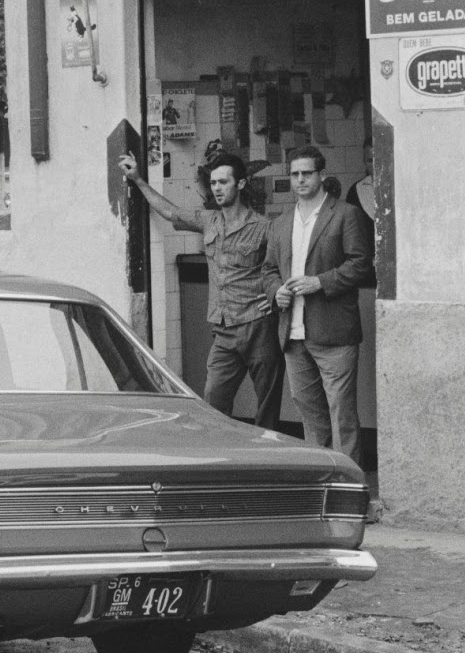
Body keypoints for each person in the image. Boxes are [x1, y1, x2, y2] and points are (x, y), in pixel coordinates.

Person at [119, 149, 284, 429]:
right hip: (223, 329)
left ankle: (265, 463)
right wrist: (138, 180)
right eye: (214, 183)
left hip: (258, 326)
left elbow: (284, 265)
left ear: (241, 184)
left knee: (267, 405)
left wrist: (275, 295)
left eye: (224, 182)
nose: (217, 188)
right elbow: (170, 212)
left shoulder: (264, 228)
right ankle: (221, 459)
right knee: (213, 399)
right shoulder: (210, 220)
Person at [262, 144, 371, 464]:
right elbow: (268, 270)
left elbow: (361, 264)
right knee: (310, 417)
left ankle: (351, 489)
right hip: (293, 335)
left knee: (342, 416)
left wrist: (320, 282)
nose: (300, 180)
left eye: (306, 173)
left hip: (334, 331)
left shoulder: (345, 214)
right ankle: (323, 484)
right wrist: (275, 293)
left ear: (322, 175)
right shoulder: (280, 223)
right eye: (294, 174)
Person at [347, 137, 377, 286]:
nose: (375, 165)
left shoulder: (403, 188)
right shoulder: (355, 192)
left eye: (379, 158)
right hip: (367, 272)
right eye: (370, 161)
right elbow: (351, 237)